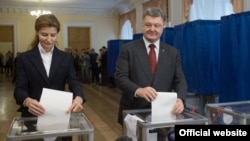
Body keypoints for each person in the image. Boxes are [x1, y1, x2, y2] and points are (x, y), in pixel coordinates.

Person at [13, 14, 86, 141]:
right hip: (33, 116)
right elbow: (19, 89)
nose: (49, 39)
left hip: (60, 116)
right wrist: (27, 100)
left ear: (57, 34)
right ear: (37, 33)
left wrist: (79, 97)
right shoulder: (24, 58)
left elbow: (73, 81)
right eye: (44, 34)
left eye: (53, 35)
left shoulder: (66, 58)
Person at [115, 7, 187, 126]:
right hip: (133, 111)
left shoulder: (173, 53)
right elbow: (120, 77)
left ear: (163, 27)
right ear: (142, 26)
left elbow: (179, 79)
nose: (152, 29)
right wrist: (138, 90)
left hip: (164, 113)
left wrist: (180, 99)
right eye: (148, 25)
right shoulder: (128, 49)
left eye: (157, 25)